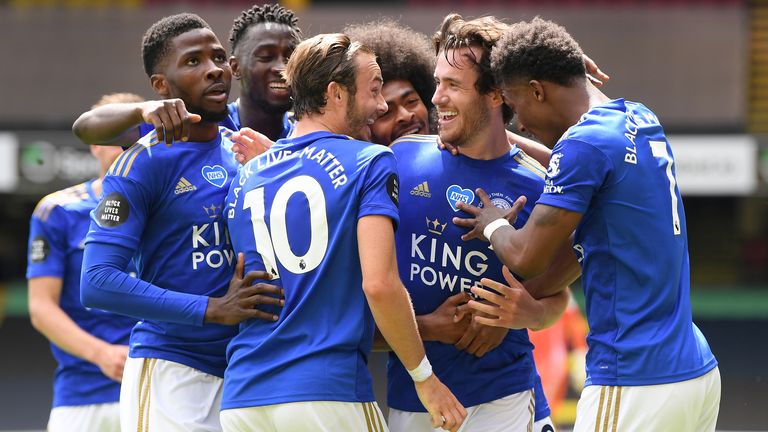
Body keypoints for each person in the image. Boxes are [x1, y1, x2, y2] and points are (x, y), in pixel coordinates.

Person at [455, 17, 720, 431]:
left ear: (538, 90)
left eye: (515, 103)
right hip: (695, 370)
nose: (519, 123)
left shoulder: (584, 145)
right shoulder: (638, 117)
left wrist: (492, 225)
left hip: (635, 378)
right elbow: (585, 173)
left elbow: (525, 255)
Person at [220, 33, 466, 432]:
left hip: (243, 399)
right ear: (336, 94)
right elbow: (380, 285)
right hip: (326, 394)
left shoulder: (247, 174)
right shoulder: (370, 160)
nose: (382, 105)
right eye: (373, 91)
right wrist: (426, 379)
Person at [344, 18, 563, 432]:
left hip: (505, 396)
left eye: (453, 86)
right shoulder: (398, 159)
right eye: (437, 82)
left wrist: (527, 312)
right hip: (413, 400)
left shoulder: (537, 185)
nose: (436, 98)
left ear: (496, 93)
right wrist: (427, 329)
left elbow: (557, 297)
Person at [79, 13, 283, 431]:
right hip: (174, 370)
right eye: (193, 61)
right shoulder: (142, 162)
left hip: (244, 372)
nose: (213, 69)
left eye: (219, 57)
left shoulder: (237, 141)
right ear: (160, 86)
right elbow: (97, 281)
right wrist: (211, 309)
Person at [26, 93, 143, 432]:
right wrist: (102, 354)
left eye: (134, 135)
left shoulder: (167, 210)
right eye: (114, 135)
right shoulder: (57, 211)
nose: (124, 145)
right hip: (81, 396)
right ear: (94, 145)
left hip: (156, 387)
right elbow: (40, 308)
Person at [71, 3, 301, 148]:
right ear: (236, 67)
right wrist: (142, 110)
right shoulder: (195, 126)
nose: (282, 68)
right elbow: (85, 127)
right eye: (266, 56)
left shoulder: (311, 135)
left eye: (291, 56)